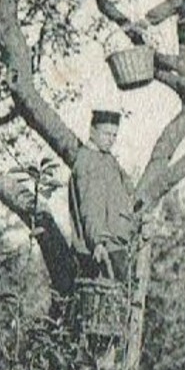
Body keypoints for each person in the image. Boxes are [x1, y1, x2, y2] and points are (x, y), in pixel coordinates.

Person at [68, 109, 134, 281]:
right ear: (92, 131)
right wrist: (97, 242)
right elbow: (90, 207)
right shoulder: (88, 162)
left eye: (114, 135)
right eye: (106, 134)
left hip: (114, 245)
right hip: (101, 250)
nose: (111, 140)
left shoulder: (108, 160)